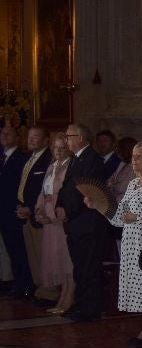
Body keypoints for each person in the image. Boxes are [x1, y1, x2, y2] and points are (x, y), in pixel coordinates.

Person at [102, 142, 142, 346]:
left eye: (139, 156)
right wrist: (99, 206)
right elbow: (119, 217)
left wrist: (137, 218)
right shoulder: (132, 183)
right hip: (131, 241)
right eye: (133, 156)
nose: (134, 160)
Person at [55, 123, 108, 321]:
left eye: (68, 136)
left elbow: (86, 189)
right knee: (80, 267)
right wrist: (58, 206)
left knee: (89, 267)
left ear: (81, 138)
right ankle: (82, 304)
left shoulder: (92, 159)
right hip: (75, 223)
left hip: (87, 223)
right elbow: (66, 187)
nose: (66, 139)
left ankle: (90, 309)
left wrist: (67, 210)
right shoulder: (76, 159)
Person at [36, 135, 74, 314]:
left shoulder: (71, 166)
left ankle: (69, 297)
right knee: (57, 260)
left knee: (68, 261)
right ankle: (62, 296)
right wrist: (40, 211)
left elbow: (67, 196)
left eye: (62, 147)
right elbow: (43, 193)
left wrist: (54, 214)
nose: (58, 151)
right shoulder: (51, 167)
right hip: (49, 221)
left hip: (61, 220)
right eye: (55, 148)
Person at [15, 126, 51, 300]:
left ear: (46, 140)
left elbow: (43, 188)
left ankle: (49, 290)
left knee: (43, 254)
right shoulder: (30, 158)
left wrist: (30, 206)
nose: (30, 140)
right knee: (33, 255)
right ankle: (39, 288)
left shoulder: (48, 159)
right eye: (29, 136)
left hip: (38, 213)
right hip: (25, 215)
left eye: (35, 137)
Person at [0, 125, 31, 297]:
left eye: (9, 133)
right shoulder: (1, 157)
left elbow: (22, 187)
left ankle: (25, 285)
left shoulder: (21, 159)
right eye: (2, 133)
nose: (4, 135)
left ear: (18, 138)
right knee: (9, 251)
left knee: (19, 250)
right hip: (2, 212)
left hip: (13, 211)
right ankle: (16, 283)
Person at [107, 137, 137, 202]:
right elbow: (110, 180)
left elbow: (127, 187)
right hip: (115, 202)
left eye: (118, 150)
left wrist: (114, 185)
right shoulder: (122, 163)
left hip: (128, 204)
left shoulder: (136, 166)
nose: (116, 152)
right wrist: (113, 183)